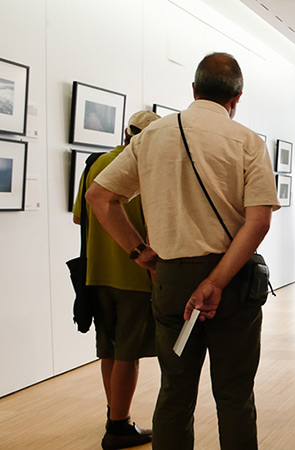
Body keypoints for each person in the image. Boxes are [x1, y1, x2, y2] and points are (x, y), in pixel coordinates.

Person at [86, 52, 280, 450]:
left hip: (171, 278)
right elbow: (258, 221)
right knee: (234, 396)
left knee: (175, 394)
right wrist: (216, 281)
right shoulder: (247, 141)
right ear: (237, 97)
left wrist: (140, 252)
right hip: (233, 280)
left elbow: (99, 197)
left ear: (192, 89)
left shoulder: (151, 137)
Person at [73, 109, 160, 450]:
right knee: (129, 353)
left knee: (107, 348)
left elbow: (81, 218)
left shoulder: (96, 163)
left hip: (97, 273)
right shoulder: (146, 169)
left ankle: (115, 413)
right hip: (135, 274)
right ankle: (118, 426)